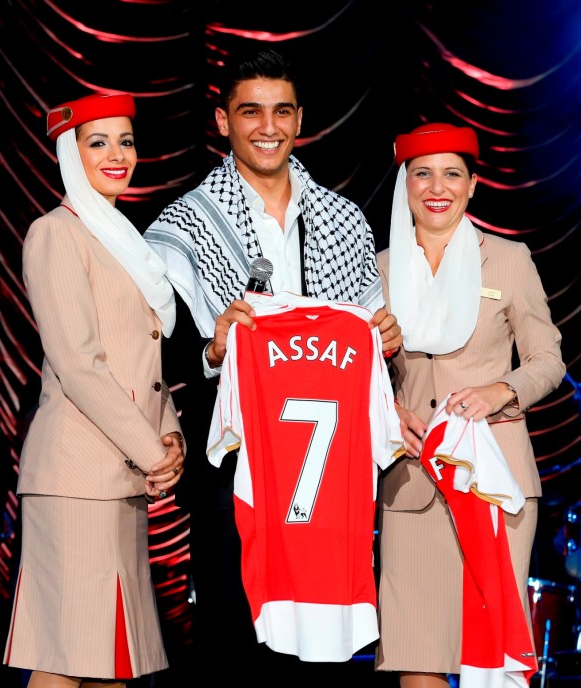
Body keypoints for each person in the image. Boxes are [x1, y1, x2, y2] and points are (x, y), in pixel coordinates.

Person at [143, 47, 402, 675]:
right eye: (250, 111)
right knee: (236, 647)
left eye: (282, 111)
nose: (268, 126)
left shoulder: (344, 221)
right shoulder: (183, 227)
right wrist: (211, 349)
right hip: (233, 470)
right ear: (222, 120)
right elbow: (157, 355)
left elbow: (368, 345)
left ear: (300, 119)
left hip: (327, 479)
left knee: (322, 655)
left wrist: (384, 339)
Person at [3, 93, 186, 688]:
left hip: (121, 475)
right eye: (98, 142)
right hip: (76, 478)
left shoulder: (122, 239)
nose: (117, 155)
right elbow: (79, 364)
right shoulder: (55, 233)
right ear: (69, 154)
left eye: (125, 142)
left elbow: (143, 361)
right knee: (67, 659)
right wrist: (152, 451)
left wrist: (170, 436)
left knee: (111, 662)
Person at [375, 122, 566, 688]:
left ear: (473, 185)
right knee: (418, 651)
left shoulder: (508, 258)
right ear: (405, 185)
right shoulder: (378, 269)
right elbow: (359, 375)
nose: (438, 188)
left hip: (493, 479)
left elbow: (547, 360)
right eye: (423, 174)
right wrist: (390, 413)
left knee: (492, 650)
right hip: (412, 482)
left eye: (452, 175)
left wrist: (500, 392)